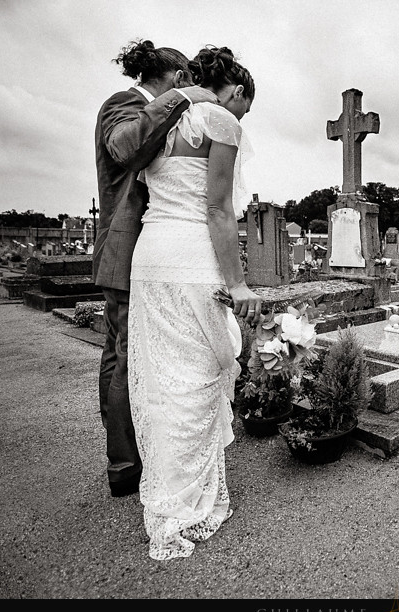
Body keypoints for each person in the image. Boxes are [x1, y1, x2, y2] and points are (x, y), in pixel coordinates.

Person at [127, 46, 262, 560]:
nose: (245, 116)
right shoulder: (221, 121)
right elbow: (218, 210)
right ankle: (188, 503)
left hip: (150, 257)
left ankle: (166, 493)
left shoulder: (162, 118)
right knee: (200, 376)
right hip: (189, 256)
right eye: (247, 105)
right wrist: (241, 284)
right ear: (238, 91)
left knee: (166, 380)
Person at [94, 40, 218, 498]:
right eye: (186, 81)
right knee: (129, 360)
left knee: (120, 353)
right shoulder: (123, 103)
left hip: (136, 254)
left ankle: (125, 452)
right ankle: (128, 464)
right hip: (129, 253)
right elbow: (126, 148)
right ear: (177, 77)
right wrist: (184, 100)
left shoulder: (149, 107)